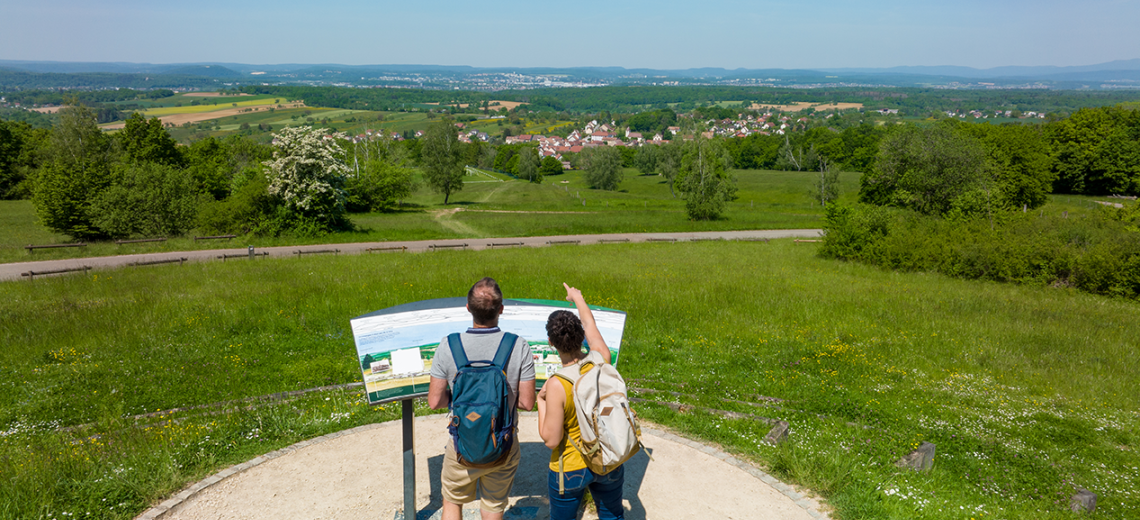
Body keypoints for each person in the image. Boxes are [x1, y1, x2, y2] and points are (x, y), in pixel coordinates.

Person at [428, 277, 536, 520]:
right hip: (502, 442)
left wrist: (458, 398)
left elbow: (435, 401)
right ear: (500, 309)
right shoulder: (518, 345)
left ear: (468, 308)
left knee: (452, 502)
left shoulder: (449, 344)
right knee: (493, 506)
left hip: (461, 444)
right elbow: (527, 402)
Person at [536, 283, 625, 520]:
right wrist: (577, 298)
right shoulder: (600, 357)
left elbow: (551, 439)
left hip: (572, 466)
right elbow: (590, 325)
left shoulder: (557, 384)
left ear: (551, 342)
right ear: (581, 336)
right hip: (609, 456)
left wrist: (540, 401)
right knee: (613, 515)